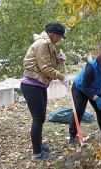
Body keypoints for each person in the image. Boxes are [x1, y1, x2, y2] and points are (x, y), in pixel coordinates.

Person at [20, 22, 70, 160]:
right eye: (59, 37)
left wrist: (59, 60)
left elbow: (47, 63)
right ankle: (37, 152)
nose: (59, 40)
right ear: (52, 35)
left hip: (39, 86)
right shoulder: (42, 44)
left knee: (40, 118)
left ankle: (39, 145)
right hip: (32, 86)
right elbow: (45, 69)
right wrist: (62, 78)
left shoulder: (48, 44)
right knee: (38, 119)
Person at [68, 49, 101, 147]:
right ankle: (72, 136)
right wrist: (96, 98)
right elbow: (85, 86)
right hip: (80, 89)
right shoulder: (92, 68)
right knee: (78, 110)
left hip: (97, 90)